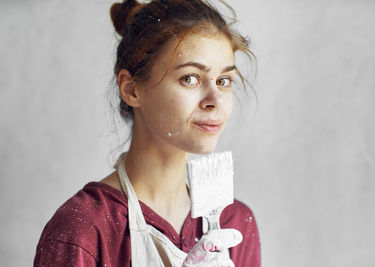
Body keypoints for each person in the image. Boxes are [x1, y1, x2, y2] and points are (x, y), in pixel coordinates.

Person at [34, 0, 261, 266]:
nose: (215, 100)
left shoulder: (233, 226)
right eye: (190, 78)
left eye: (224, 81)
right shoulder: (82, 231)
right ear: (131, 89)